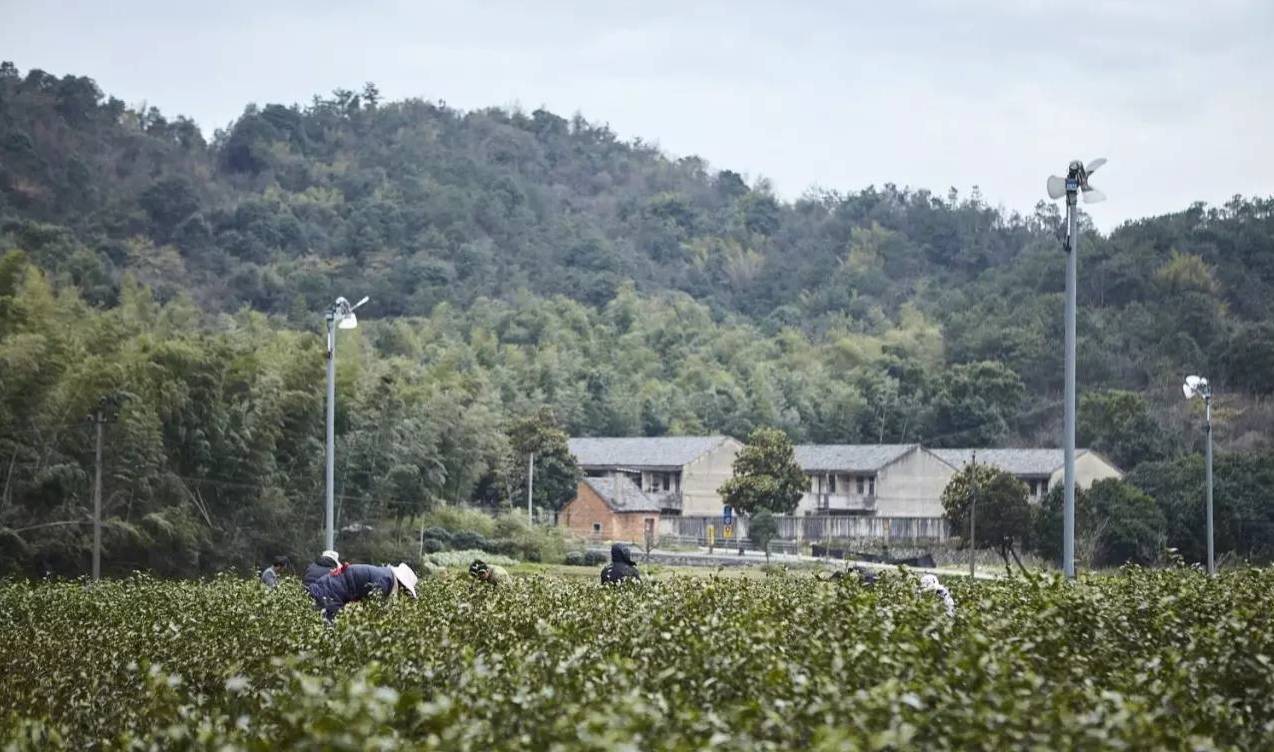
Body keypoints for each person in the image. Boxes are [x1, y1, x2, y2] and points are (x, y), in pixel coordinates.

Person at [307, 562, 418, 622]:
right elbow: (374, 609)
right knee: (330, 628)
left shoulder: (385, 576)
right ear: (402, 586)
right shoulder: (385, 581)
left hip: (329, 587)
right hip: (331, 592)